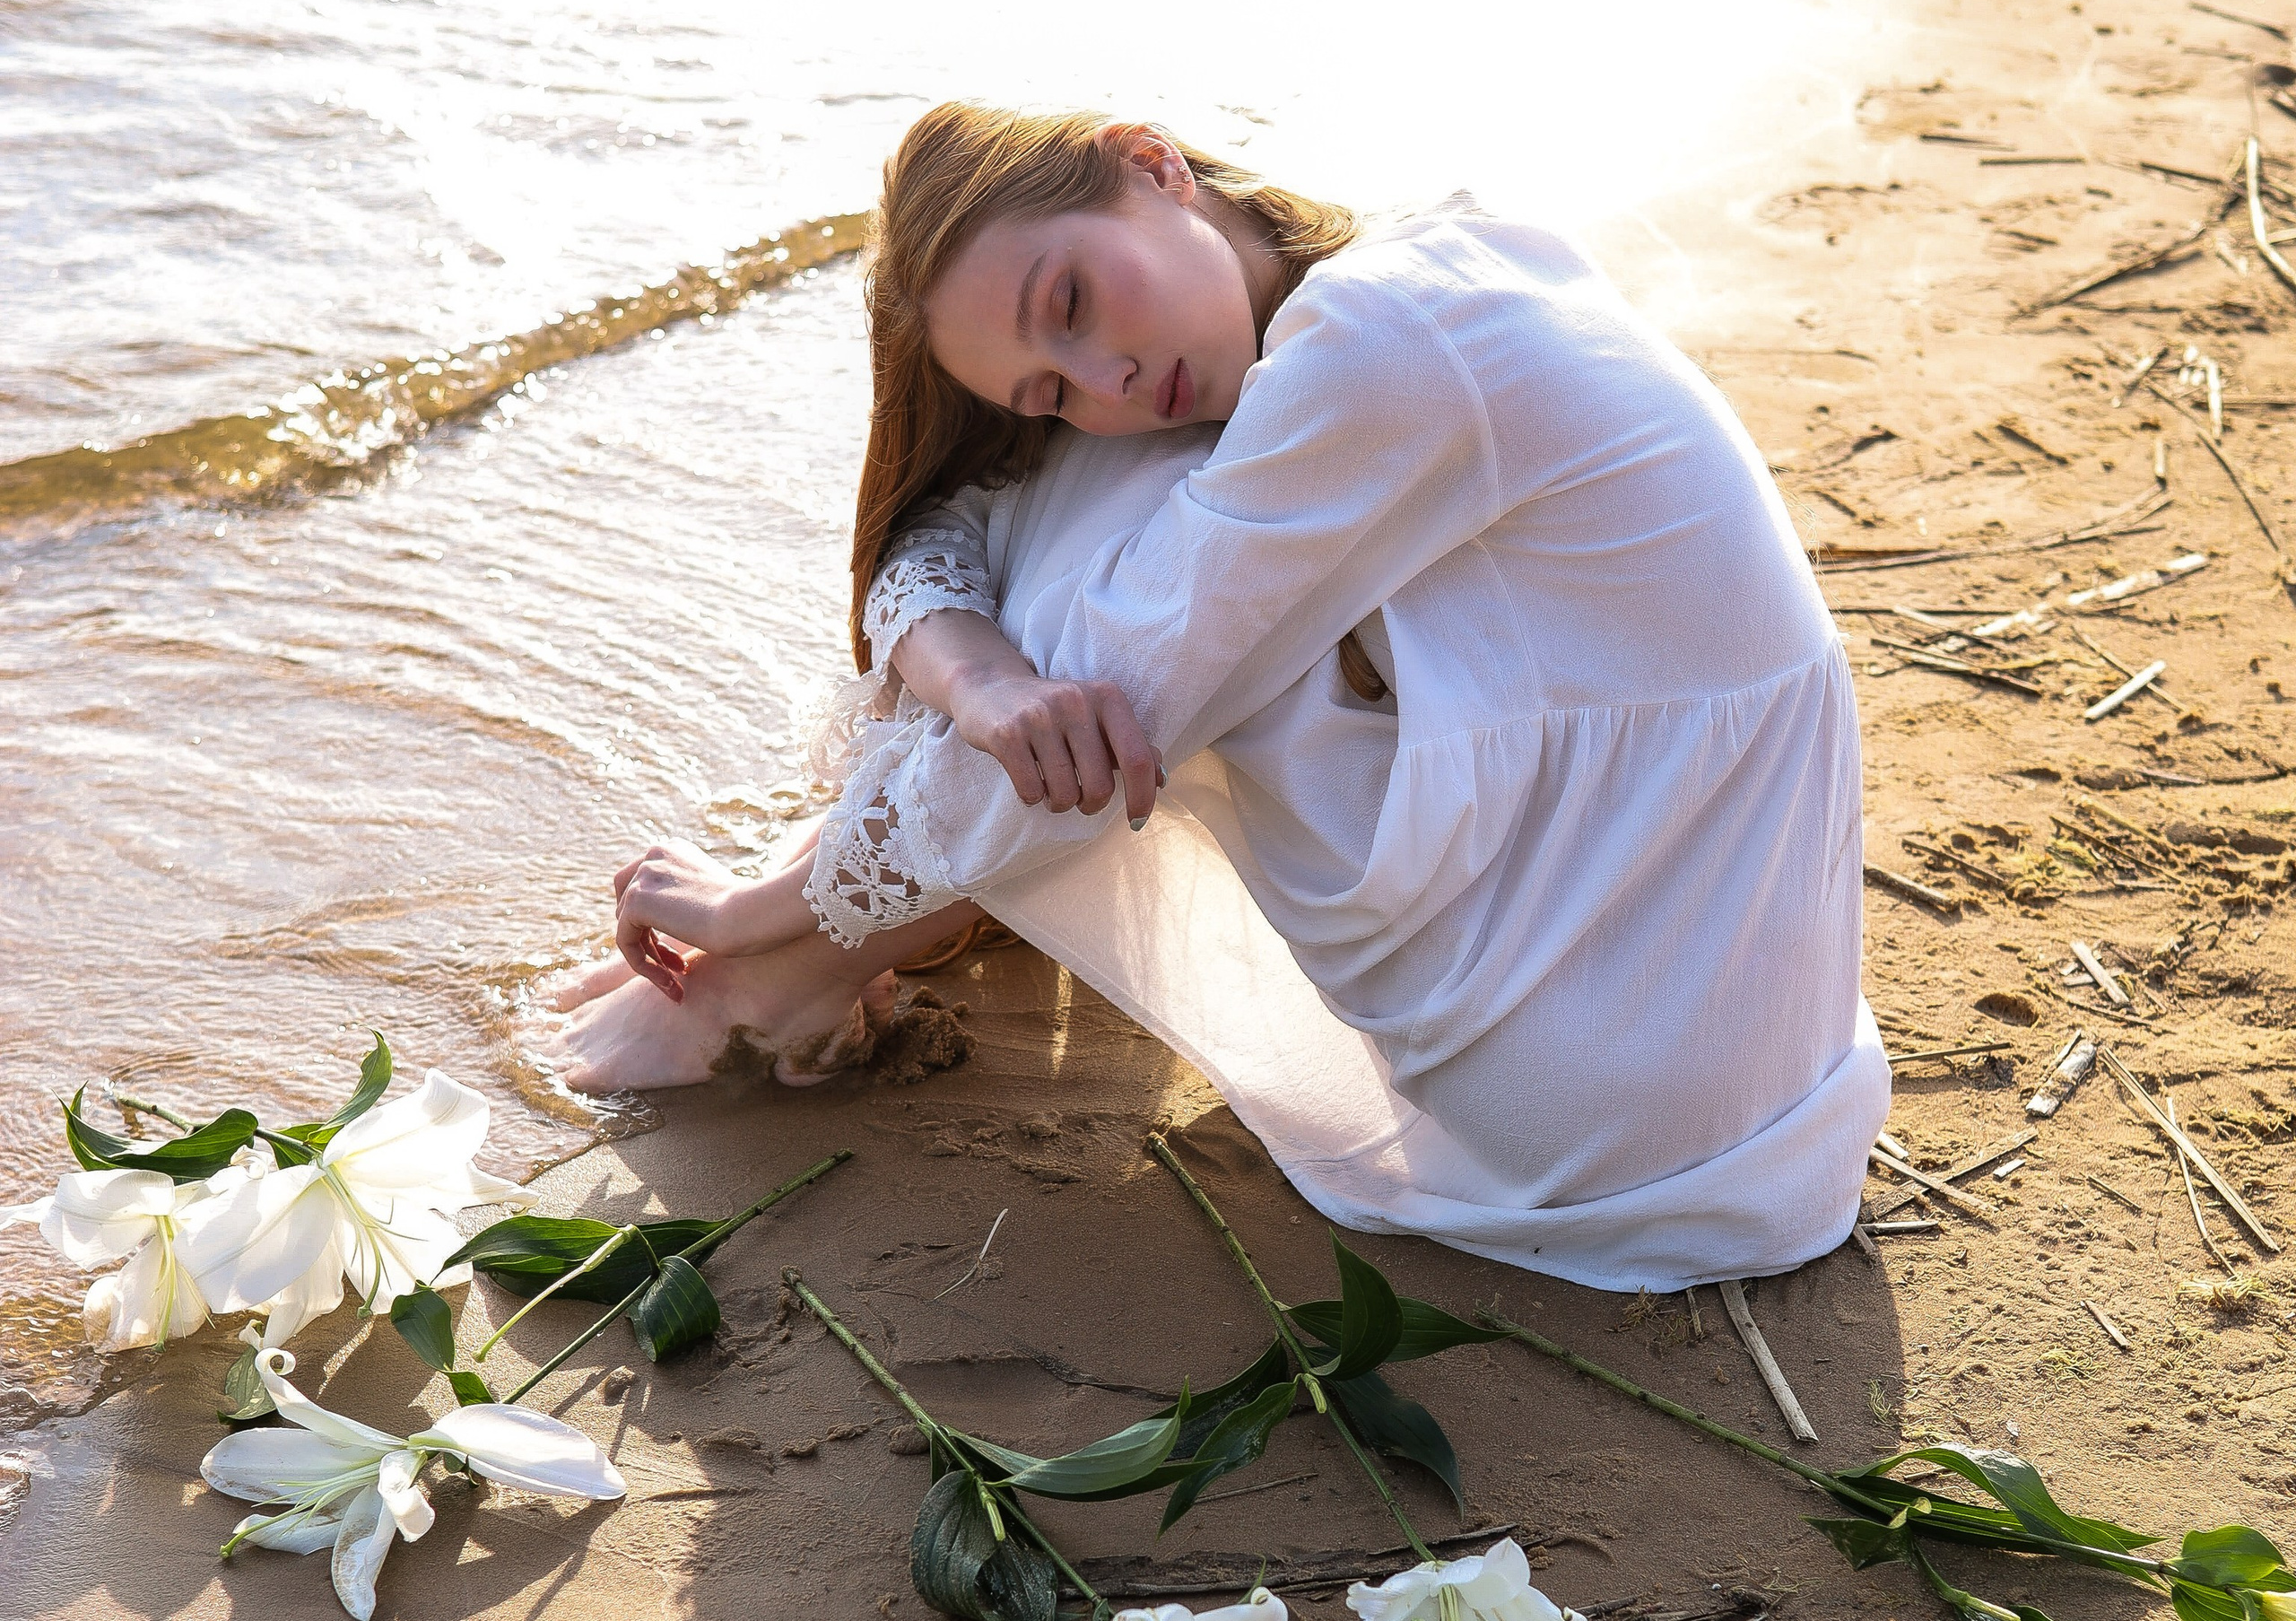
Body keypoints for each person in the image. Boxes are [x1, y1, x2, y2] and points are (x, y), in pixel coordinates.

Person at [548, 104, 1887, 1289]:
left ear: (1152, 163)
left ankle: (763, 981)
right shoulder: (1435, 269)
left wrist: (754, 908)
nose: (1108, 384)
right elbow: (946, 524)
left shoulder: (1382, 344)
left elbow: (1081, 730)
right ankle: (798, 960)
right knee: (1086, 541)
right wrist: (982, 674)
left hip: (1600, 1101)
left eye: (1071, 304)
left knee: (1099, 604)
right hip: (1744, 1088)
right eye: (1048, 390)